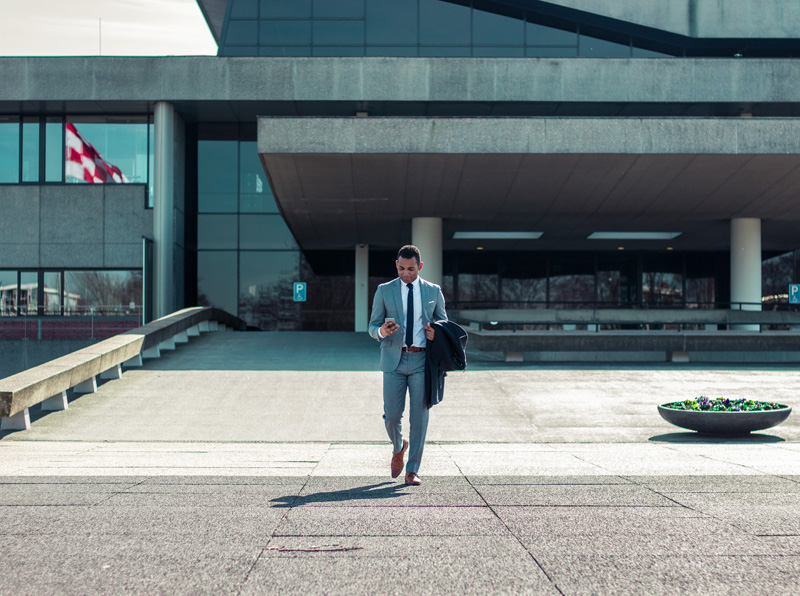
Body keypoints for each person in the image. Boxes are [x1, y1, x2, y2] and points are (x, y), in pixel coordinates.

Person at [368, 245, 447, 486]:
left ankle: (412, 470)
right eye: (401, 268)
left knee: (419, 417)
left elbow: (444, 323)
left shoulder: (433, 291)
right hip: (394, 359)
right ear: (396, 265)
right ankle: (399, 445)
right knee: (391, 416)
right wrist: (381, 331)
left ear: (420, 267)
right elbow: (372, 327)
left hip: (423, 361)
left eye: (411, 269)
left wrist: (437, 333)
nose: (406, 273)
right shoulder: (384, 291)